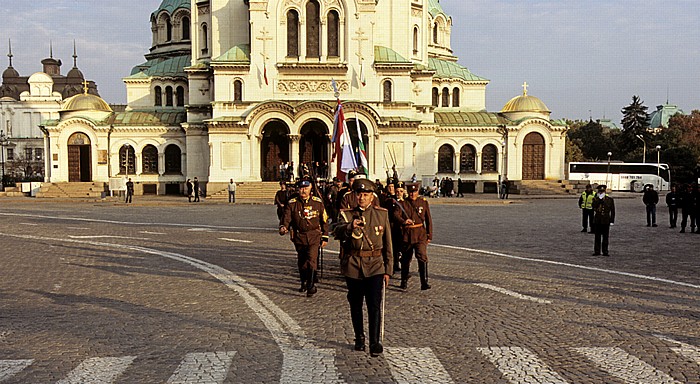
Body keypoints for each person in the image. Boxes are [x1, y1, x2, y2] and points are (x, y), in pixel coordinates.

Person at [333, 179, 392, 356]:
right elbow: (335, 230)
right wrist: (350, 226)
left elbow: (388, 243)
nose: (362, 198)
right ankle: (359, 337)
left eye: (366, 195)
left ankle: (375, 342)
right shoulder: (346, 214)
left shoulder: (381, 214)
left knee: (374, 304)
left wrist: (388, 269)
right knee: (356, 304)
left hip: (375, 266)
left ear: (372, 197)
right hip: (353, 265)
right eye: (359, 194)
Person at [279, 176, 329, 297]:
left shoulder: (317, 202)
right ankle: (303, 282)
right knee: (302, 261)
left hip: (314, 235)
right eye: (301, 188)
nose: (303, 191)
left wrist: (325, 236)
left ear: (310, 189)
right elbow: (286, 218)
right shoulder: (292, 203)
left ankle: (311, 285)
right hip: (299, 236)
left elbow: (324, 220)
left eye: (306, 188)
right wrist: (283, 227)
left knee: (312, 259)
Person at [394, 183, 433, 290]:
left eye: (415, 192)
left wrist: (429, 234)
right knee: (406, 259)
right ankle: (404, 280)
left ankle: (424, 282)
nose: (412, 194)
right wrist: (404, 221)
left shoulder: (423, 202)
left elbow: (428, 219)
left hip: (420, 234)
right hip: (408, 235)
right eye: (411, 192)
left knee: (422, 256)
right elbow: (395, 215)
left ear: (418, 192)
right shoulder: (403, 203)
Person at [592, 185, 615, 256]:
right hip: (598, 220)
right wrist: (599, 199)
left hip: (606, 220)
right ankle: (597, 251)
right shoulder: (595, 199)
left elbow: (612, 211)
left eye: (602, 191)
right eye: (600, 191)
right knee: (597, 237)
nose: (601, 193)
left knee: (605, 237)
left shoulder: (610, 200)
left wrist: (611, 220)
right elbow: (594, 207)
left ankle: (605, 251)